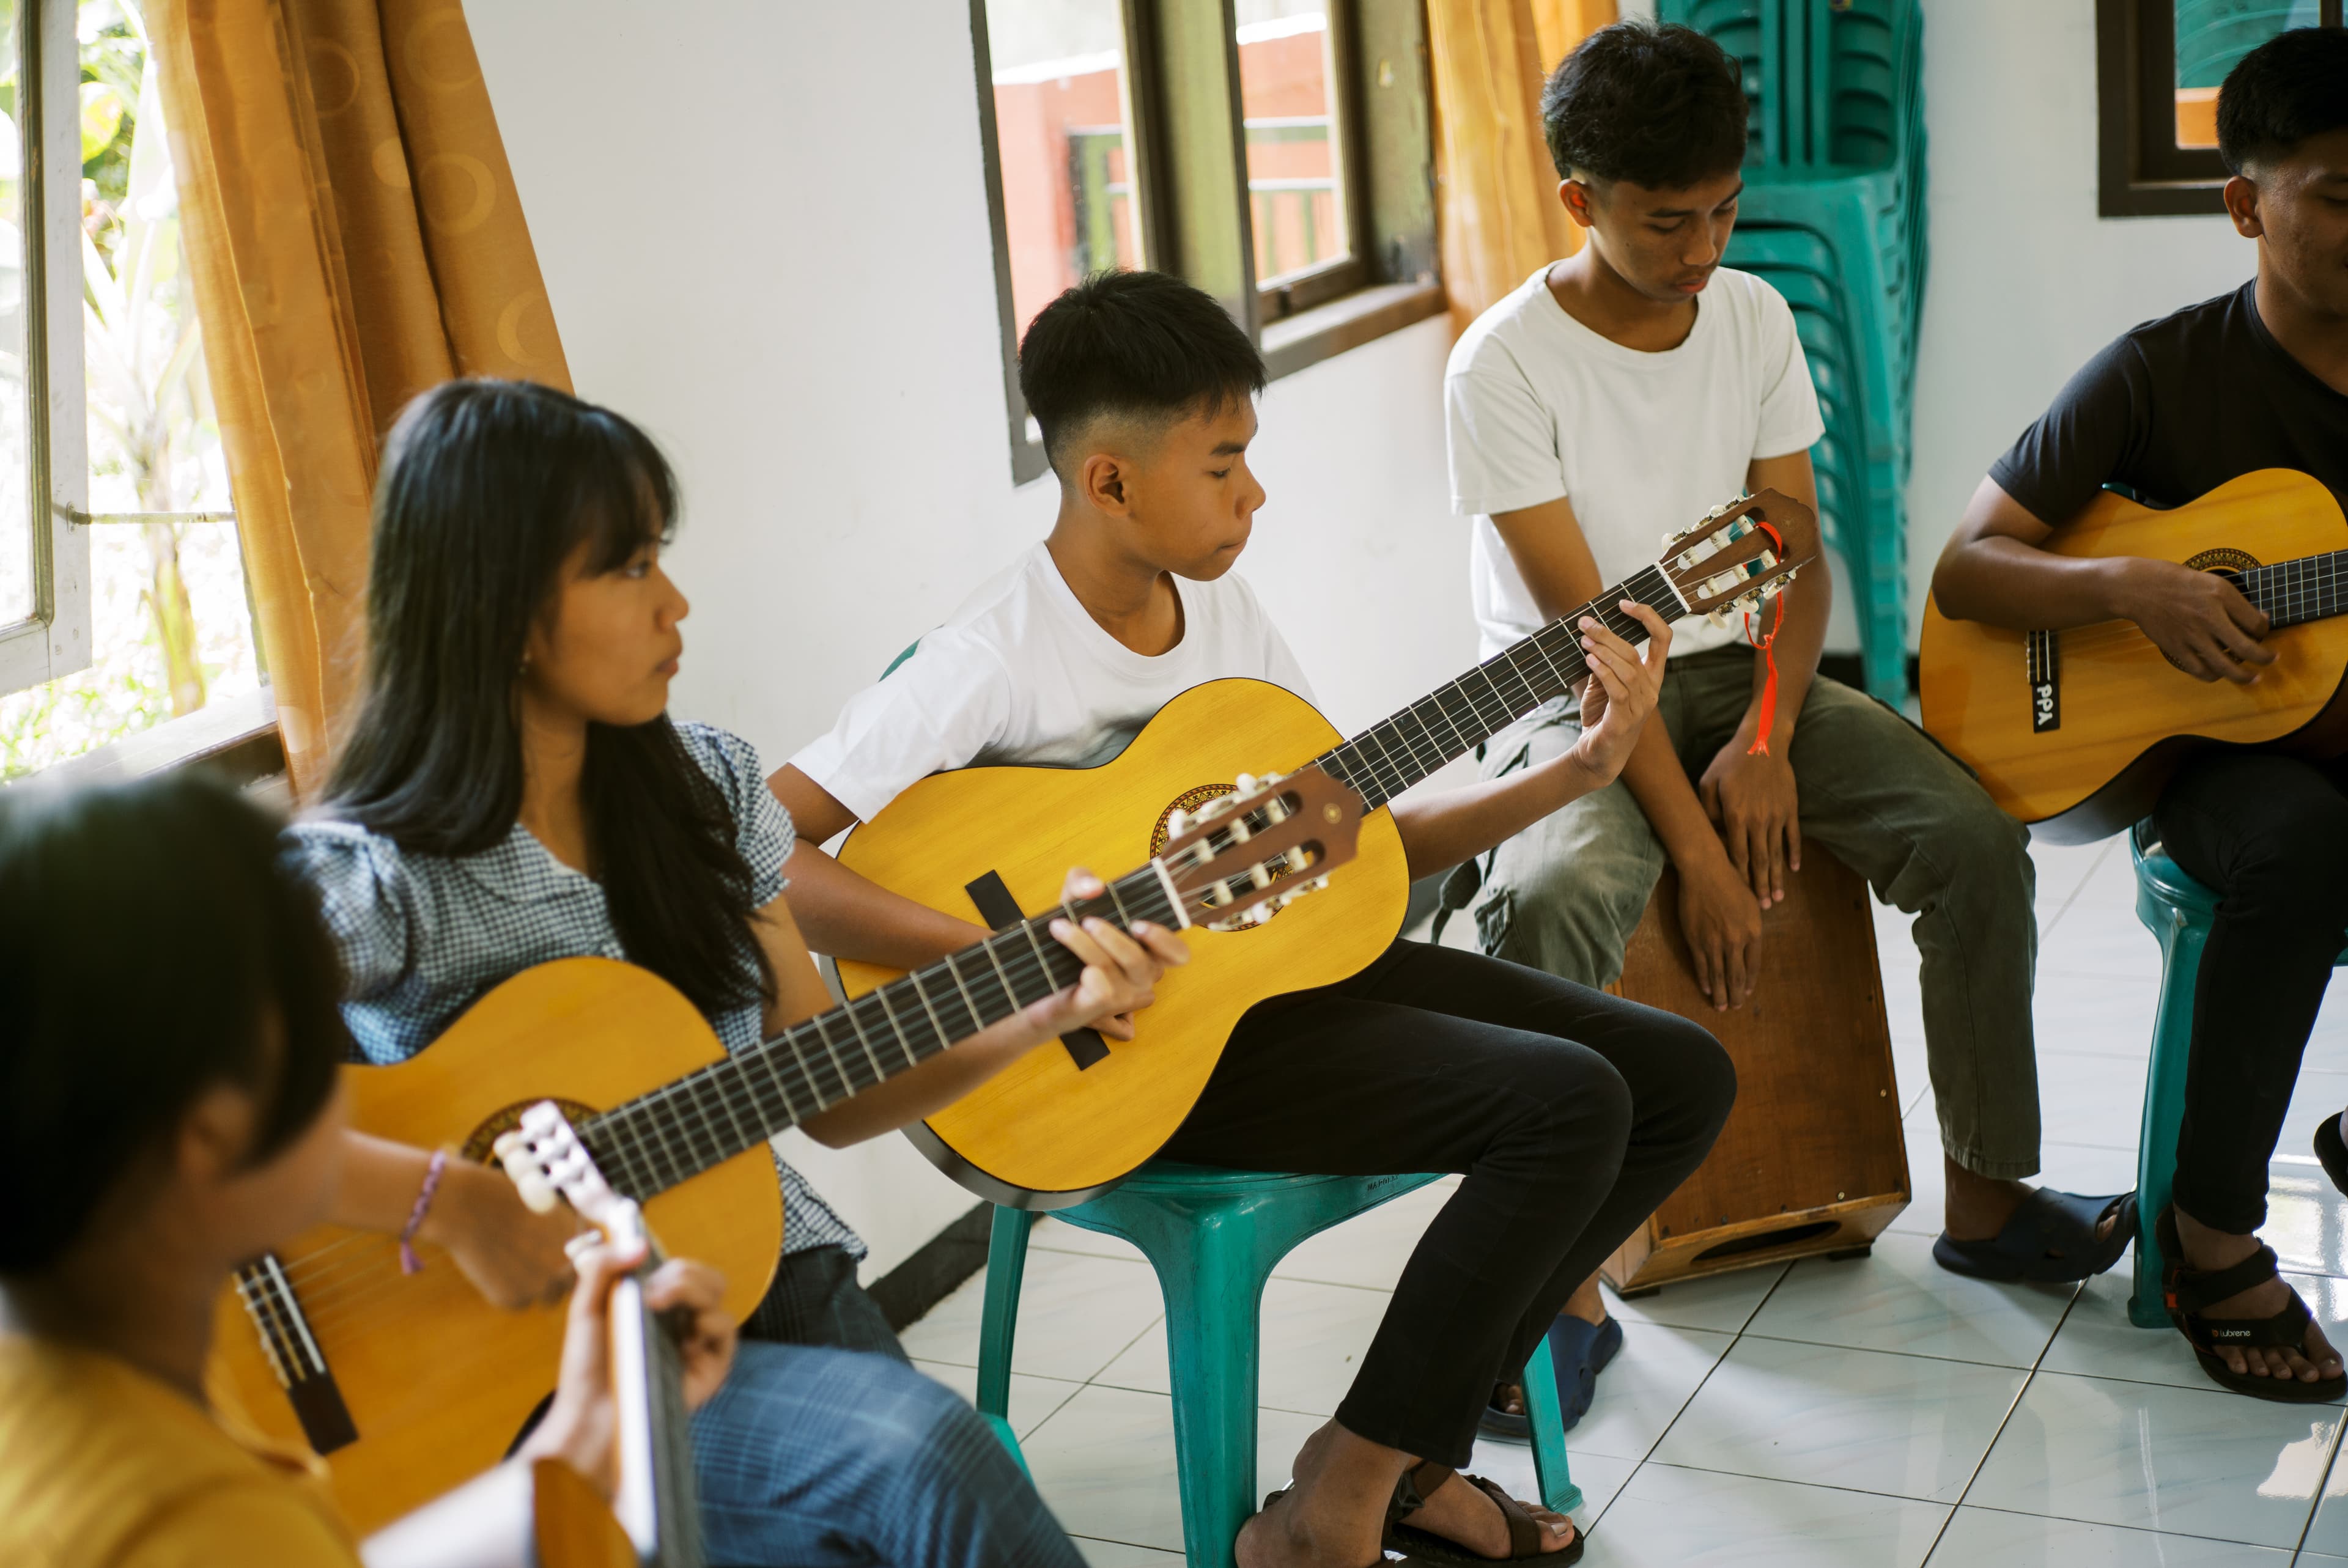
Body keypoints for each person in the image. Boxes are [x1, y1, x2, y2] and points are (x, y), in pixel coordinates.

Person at [770, 266, 1737, 1568]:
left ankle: (1389, 1459)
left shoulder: (1218, 606)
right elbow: (759, 851)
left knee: (1677, 1076)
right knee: (1568, 1103)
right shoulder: (989, 655)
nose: (1255, 495)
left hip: (1271, 990)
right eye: (1224, 465)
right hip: (1139, 1053)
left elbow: (1352, 834)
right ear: (1110, 481)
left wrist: (1576, 768)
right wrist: (1027, 959)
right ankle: (1350, 1493)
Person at [284, 378, 1186, 1566]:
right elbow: (152, 1102)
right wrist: (453, 1203)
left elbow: (830, 1091)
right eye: (629, 568)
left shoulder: (704, 790)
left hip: (760, 1258)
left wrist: (1039, 1004)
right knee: (922, 1455)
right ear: (501, 608)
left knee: (930, 1477)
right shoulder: (373, 878)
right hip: (527, 1356)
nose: (677, 604)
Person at [1440, 17, 2136, 1434]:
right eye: (1666, 221)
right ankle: (1559, 1290)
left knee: (1971, 837)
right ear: (1579, 199)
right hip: (1566, 699)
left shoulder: (1752, 315)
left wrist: (1764, 738)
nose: (1703, 248)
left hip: (1740, 670)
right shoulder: (1500, 365)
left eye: (1724, 211)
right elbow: (1593, 640)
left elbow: (1797, 557)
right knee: (1559, 893)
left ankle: (1988, 1197)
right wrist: (1699, 855)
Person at [0, 770, 739, 1567]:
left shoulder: (74, 1354)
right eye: (315, 1031)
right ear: (209, 1131)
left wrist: (593, 1429)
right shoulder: (198, 1528)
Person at [1932, 26, 2348, 1402]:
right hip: (2213, 762)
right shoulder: (2161, 371)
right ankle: (2213, 1234)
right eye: (2340, 194)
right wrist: (2131, 586)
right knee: (2303, 844)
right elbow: (1968, 570)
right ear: (2246, 206)